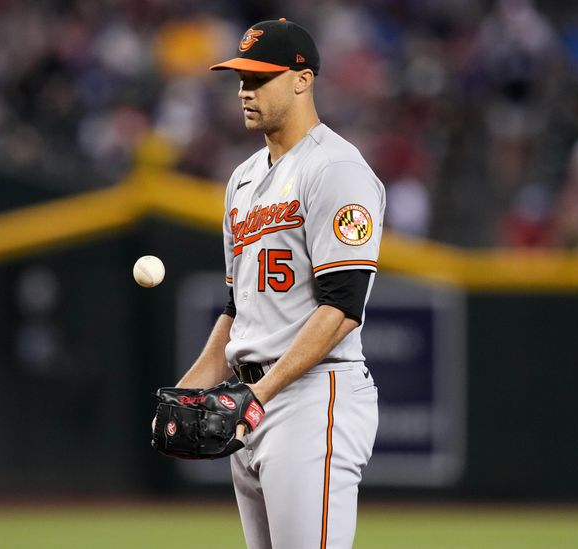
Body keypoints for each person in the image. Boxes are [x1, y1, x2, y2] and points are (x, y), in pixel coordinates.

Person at [173, 18, 385, 548]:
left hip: (313, 397)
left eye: (259, 78)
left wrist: (256, 394)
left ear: (301, 79)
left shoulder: (336, 168)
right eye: (241, 78)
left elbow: (342, 306)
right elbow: (236, 309)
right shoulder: (242, 179)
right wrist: (190, 391)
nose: (245, 90)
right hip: (252, 399)